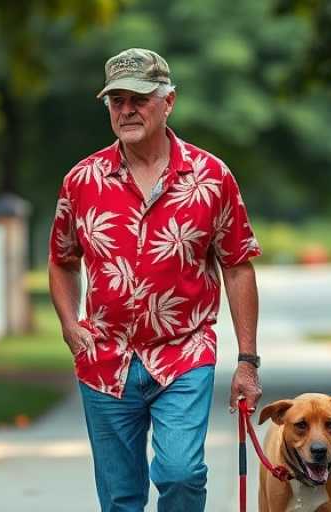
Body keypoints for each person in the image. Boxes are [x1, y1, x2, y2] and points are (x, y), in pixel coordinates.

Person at [48, 48, 263, 512]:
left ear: (168, 102)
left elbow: (238, 264)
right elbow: (62, 260)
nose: (126, 110)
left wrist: (247, 361)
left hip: (183, 354)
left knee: (182, 474)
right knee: (121, 499)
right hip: (104, 360)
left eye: (139, 98)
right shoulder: (81, 181)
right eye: (116, 100)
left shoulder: (211, 178)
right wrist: (69, 323)